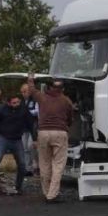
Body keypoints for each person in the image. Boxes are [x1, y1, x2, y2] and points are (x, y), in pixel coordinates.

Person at [27, 74, 74, 204]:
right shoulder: (66, 100)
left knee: (44, 163)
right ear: (63, 89)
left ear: (49, 87)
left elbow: (31, 90)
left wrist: (30, 79)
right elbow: (70, 118)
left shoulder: (42, 97)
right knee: (58, 165)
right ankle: (52, 195)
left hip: (43, 133)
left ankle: (47, 191)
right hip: (60, 132)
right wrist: (66, 125)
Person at [0, 95, 34, 196]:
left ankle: (19, 186)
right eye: (14, 103)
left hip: (17, 139)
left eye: (18, 102)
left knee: (22, 163)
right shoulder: (2, 109)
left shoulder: (23, 110)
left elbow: (30, 123)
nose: (16, 105)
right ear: (8, 103)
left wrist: (35, 137)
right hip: (4, 137)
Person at [21, 83, 40, 176]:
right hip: (24, 127)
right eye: (22, 92)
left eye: (25, 91)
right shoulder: (21, 101)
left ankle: (36, 165)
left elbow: (37, 112)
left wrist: (27, 112)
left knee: (31, 146)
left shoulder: (35, 100)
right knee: (24, 148)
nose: (23, 94)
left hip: (33, 127)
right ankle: (28, 168)